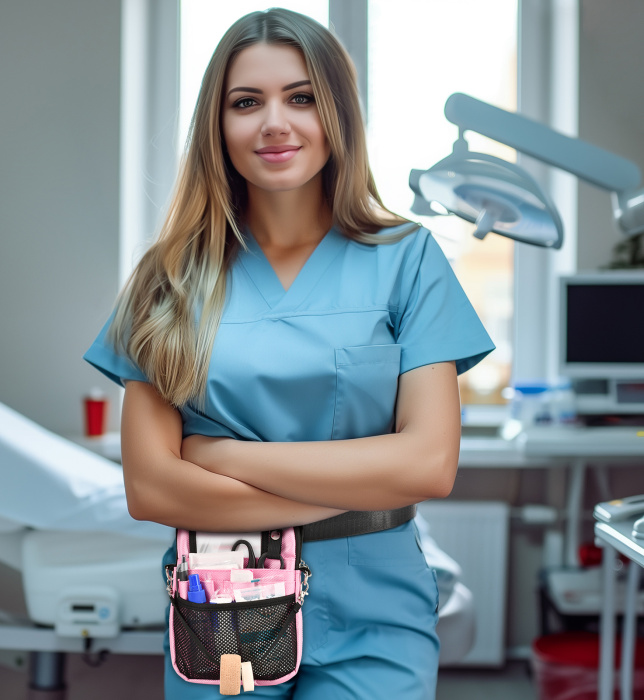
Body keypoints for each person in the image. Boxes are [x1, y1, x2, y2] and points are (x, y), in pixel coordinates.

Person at [84, 8, 494, 698]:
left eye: (301, 97)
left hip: (378, 612)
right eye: (247, 102)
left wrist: (220, 457)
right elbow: (151, 487)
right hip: (218, 613)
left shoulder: (408, 261)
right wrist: (359, 483)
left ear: (337, 114)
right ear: (218, 125)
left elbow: (428, 463)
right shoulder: (168, 276)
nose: (275, 123)